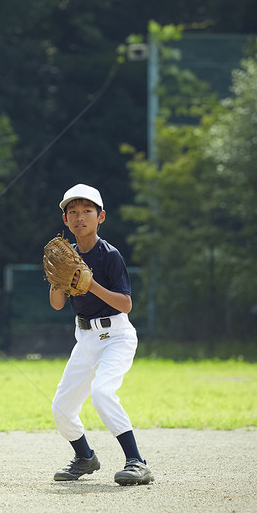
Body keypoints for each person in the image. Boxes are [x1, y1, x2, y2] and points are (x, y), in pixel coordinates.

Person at [48, 184, 153, 485]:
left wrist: (90, 284)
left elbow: (126, 304)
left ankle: (137, 462)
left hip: (117, 336)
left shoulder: (110, 256)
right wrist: (58, 278)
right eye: (73, 212)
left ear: (101, 216)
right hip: (86, 339)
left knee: (103, 393)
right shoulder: (66, 257)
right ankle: (85, 458)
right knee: (62, 407)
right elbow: (57, 305)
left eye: (87, 211)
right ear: (65, 220)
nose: (80, 217)